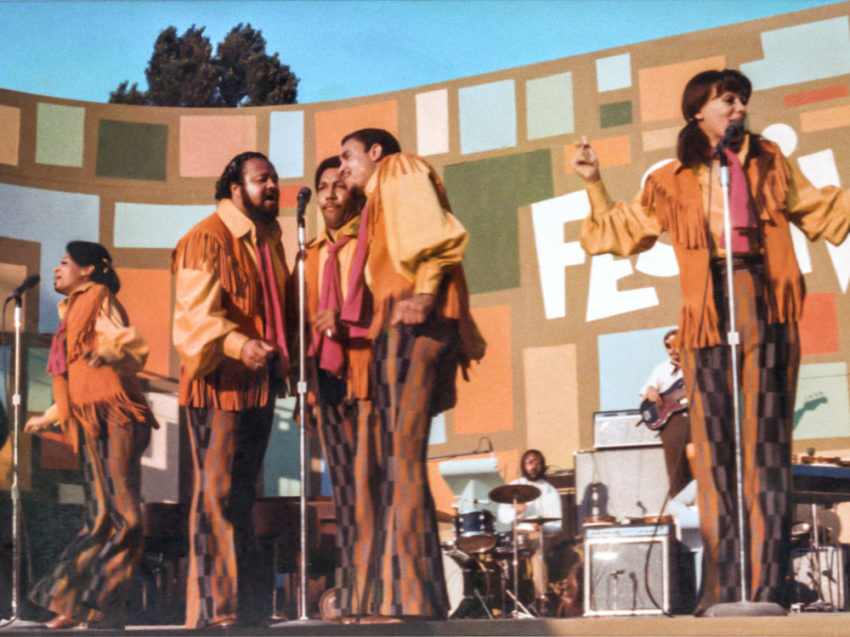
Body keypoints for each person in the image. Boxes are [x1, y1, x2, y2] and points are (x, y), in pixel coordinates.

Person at [572, 68, 850, 613]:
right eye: (728, 100)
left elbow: (821, 210)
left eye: (743, 100)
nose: (740, 108)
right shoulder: (671, 177)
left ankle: (765, 588)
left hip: (765, 302)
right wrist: (592, 180)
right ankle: (724, 588)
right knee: (717, 454)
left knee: (765, 452)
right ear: (698, 109)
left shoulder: (770, 159)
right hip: (706, 311)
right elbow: (618, 230)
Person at [338, 128, 485, 620]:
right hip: (397, 322)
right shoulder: (376, 200)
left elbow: (432, 231)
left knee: (400, 459)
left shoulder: (399, 169)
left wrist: (423, 292)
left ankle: (409, 598)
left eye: (348, 157)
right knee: (398, 460)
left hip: (411, 317)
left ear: (376, 152)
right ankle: (414, 594)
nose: (343, 169)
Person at [171, 151, 292, 629]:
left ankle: (246, 613)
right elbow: (194, 322)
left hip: (257, 388)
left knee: (240, 500)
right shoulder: (206, 238)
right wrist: (242, 345)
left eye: (275, 179)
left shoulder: (268, 242)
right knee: (216, 497)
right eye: (262, 179)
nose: (273, 187)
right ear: (234, 188)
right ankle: (212, 614)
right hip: (216, 385)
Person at [25, 241, 157, 630]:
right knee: (103, 518)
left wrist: (110, 350)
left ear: (88, 270)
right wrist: (50, 416)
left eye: (65, 263)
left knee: (126, 519)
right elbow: (75, 375)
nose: (56, 269)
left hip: (114, 418)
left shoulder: (97, 296)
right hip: (89, 422)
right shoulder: (69, 314)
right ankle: (92, 610)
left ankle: (82, 601)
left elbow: (127, 340)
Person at [303, 156, 373, 620]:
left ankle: (375, 595)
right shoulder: (308, 256)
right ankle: (352, 595)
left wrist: (348, 325)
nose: (329, 194)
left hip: (364, 373)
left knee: (370, 486)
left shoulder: (369, 245)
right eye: (323, 187)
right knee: (343, 493)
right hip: (324, 380)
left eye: (338, 186)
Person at [496, 449, 563, 603]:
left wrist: (542, 528)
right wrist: (517, 512)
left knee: (537, 551)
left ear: (543, 466)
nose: (534, 467)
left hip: (539, 536)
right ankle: (506, 599)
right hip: (515, 534)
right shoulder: (513, 487)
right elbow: (502, 516)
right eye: (530, 462)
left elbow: (557, 525)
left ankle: (541, 598)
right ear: (524, 465)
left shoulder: (550, 491)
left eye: (538, 463)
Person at [639, 327, 692, 496]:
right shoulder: (661, 369)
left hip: (695, 418)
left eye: (675, 345)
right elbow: (647, 391)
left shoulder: (697, 363)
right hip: (672, 423)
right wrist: (651, 390)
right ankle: (679, 508)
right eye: (668, 347)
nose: (672, 350)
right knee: (675, 469)